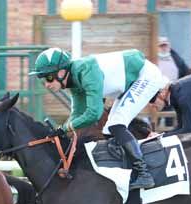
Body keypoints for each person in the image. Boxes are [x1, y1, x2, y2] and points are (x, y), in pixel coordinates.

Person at [30, 48, 169, 190]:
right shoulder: (74, 82)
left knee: (116, 124)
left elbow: (93, 114)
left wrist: (64, 128)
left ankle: (144, 174)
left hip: (144, 76)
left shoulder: (87, 72)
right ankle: (127, 169)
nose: (47, 84)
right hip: (131, 81)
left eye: (48, 78)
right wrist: (61, 132)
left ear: (61, 72)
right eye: (43, 80)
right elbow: (77, 114)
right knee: (109, 129)